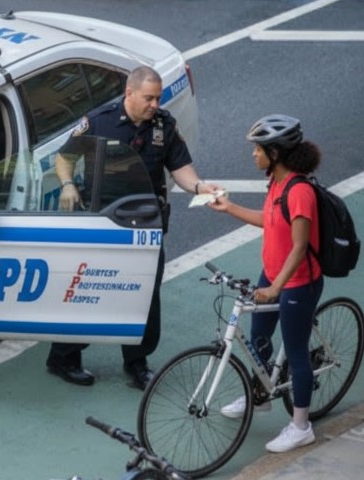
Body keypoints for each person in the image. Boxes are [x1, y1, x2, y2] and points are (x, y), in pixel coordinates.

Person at [45, 65, 220, 389]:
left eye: (158, 98)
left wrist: (199, 187)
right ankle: (64, 356)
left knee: (145, 294)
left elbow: (181, 167)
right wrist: (68, 184)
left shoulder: (163, 126)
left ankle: (137, 363)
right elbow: (64, 157)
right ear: (130, 94)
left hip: (144, 223)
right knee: (87, 289)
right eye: (149, 98)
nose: (155, 104)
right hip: (103, 222)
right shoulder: (100, 120)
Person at [208, 114, 324, 453]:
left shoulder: (300, 191)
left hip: (297, 283)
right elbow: (270, 221)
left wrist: (276, 289)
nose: (253, 154)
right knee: (259, 336)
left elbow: (300, 246)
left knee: (297, 352)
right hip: (271, 274)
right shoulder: (275, 182)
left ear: (275, 152)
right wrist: (229, 207)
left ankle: (301, 425)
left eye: (258, 149)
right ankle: (259, 397)